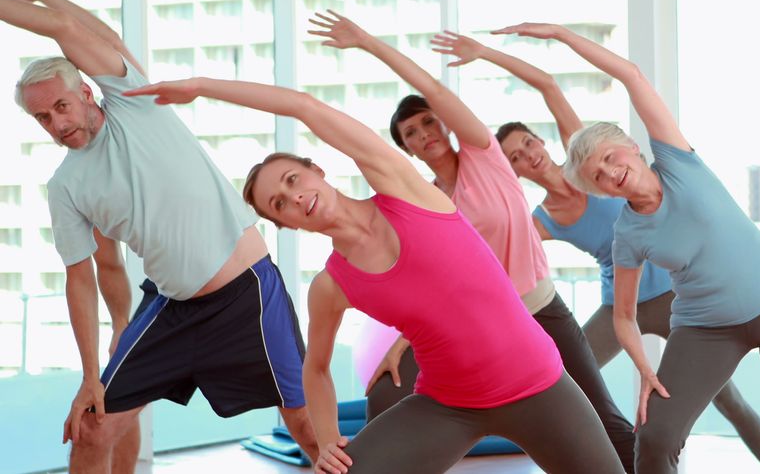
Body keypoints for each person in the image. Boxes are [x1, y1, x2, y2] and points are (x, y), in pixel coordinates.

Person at [125, 76, 626, 474]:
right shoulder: (332, 284)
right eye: (279, 204)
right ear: (285, 224)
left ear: (317, 171)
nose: (295, 197)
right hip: (447, 405)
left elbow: (306, 106)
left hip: (538, 384)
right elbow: (315, 368)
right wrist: (325, 444)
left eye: (294, 179)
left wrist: (201, 87)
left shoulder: (403, 189)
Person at [493, 23, 760, 474]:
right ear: (600, 191)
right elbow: (623, 315)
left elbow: (630, 76)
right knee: (655, 436)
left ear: (631, 147)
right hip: (707, 327)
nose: (611, 173)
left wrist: (560, 35)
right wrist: (645, 369)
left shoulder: (678, 161)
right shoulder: (628, 233)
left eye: (612, 157)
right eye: (599, 176)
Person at [428, 31, 760, 474]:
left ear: (543, 142)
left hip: (676, 301)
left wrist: (484, 53)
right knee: (571, 381)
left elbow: (547, 84)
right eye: (516, 158)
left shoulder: (588, 164)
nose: (528, 156)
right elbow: (497, 255)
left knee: (727, 398)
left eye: (529, 144)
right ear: (514, 172)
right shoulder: (540, 218)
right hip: (621, 306)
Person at [0, 0, 317, 473]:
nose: (57, 124)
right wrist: (89, 374)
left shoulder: (134, 103)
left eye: (61, 106)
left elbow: (74, 27)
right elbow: (80, 277)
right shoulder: (65, 186)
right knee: (91, 426)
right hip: (171, 306)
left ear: (85, 91)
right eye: (42, 118)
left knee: (305, 424)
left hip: (247, 295)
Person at [308, 12, 638, 472]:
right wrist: (404, 341)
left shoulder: (487, 157)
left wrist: (367, 42)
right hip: (468, 338)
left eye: (428, 123)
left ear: (443, 125)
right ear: (406, 150)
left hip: (538, 311)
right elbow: (428, 291)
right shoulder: (422, 205)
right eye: (411, 135)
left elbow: (441, 92)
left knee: (604, 418)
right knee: (384, 391)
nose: (424, 135)